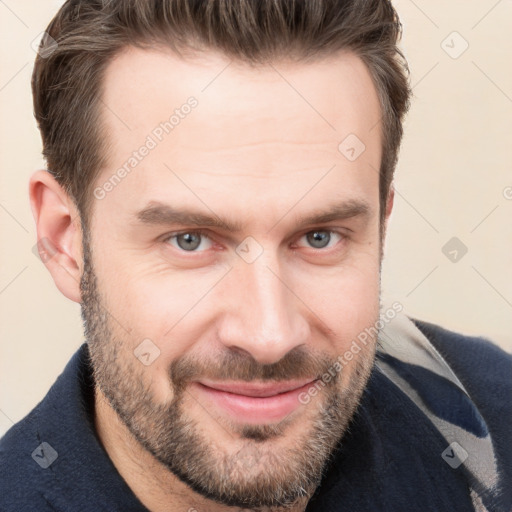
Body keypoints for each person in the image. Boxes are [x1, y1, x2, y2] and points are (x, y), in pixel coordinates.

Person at [0, 1, 510, 511]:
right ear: (65, 241)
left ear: (381, 226)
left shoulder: (492, 420)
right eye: (191, 240)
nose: (269, 336)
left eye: (319, 237)